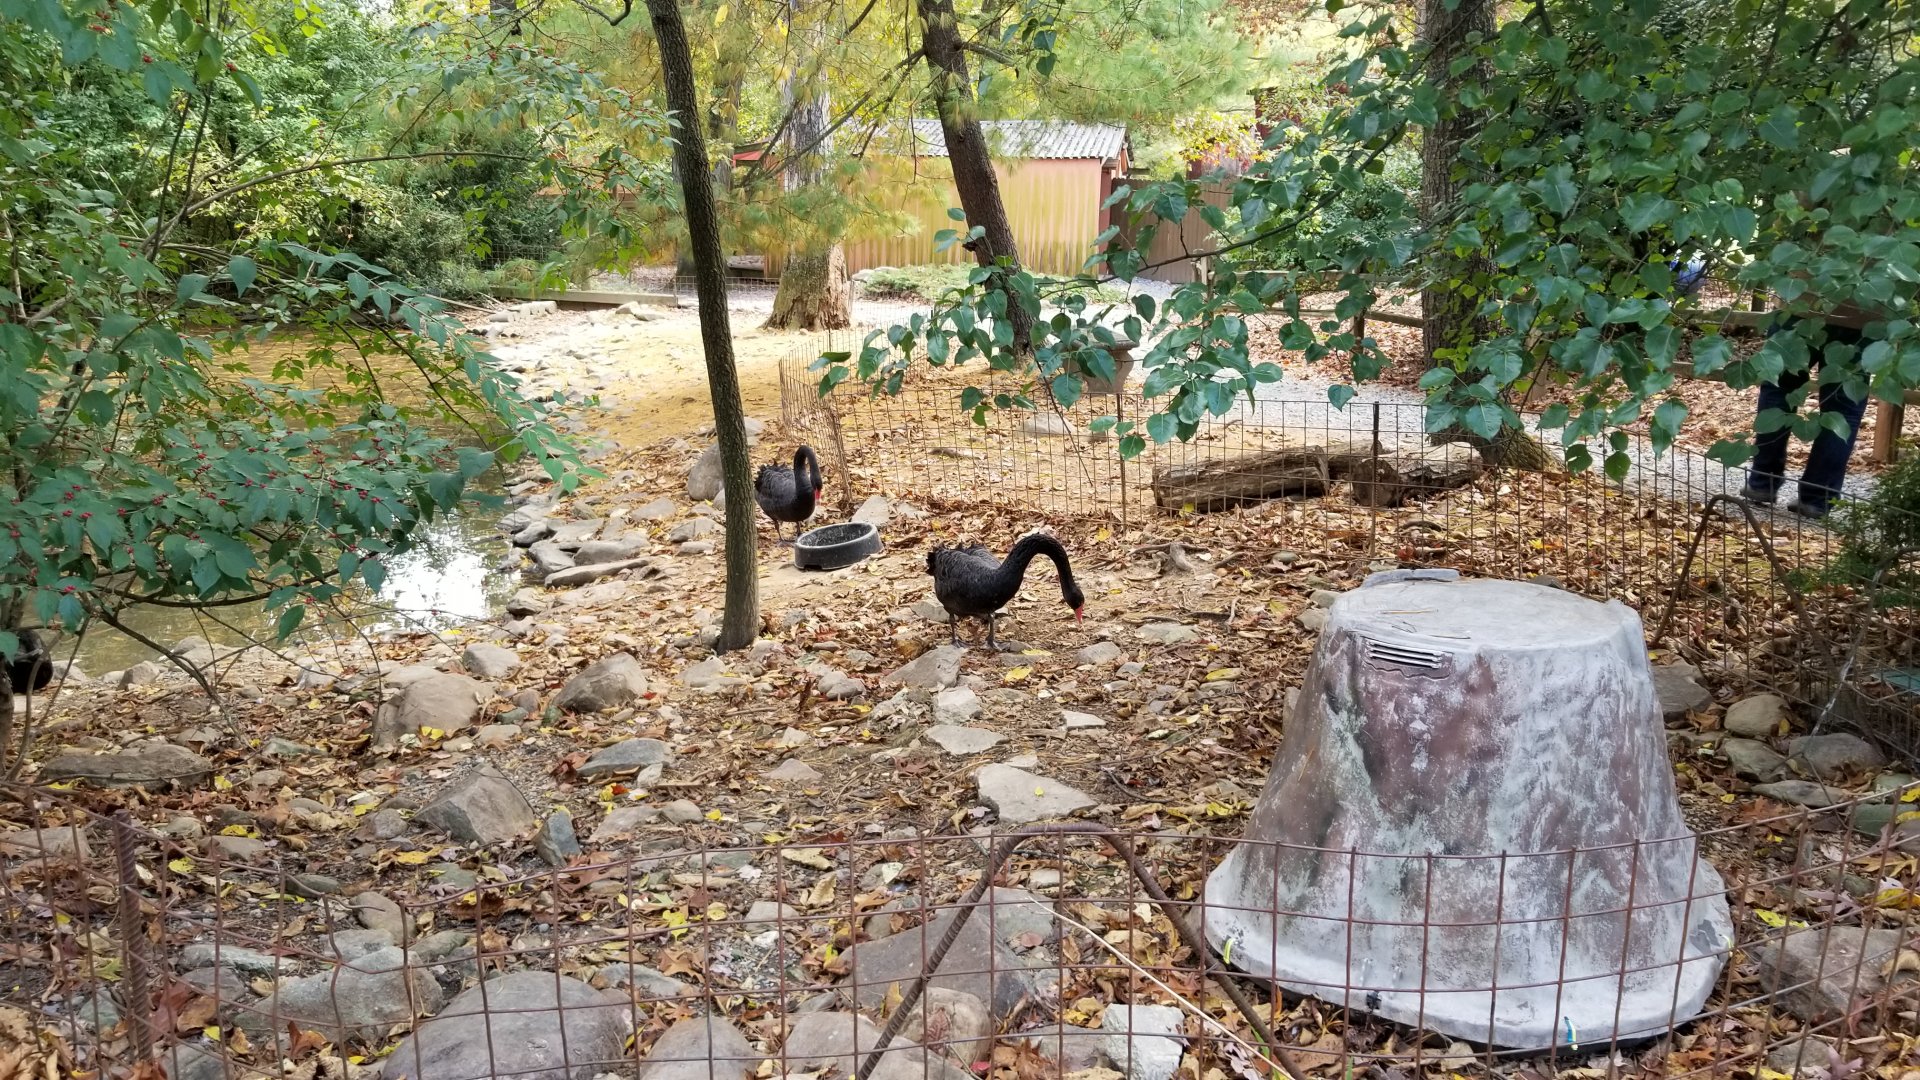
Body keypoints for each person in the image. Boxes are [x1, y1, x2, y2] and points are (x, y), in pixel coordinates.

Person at [1738, 313, 1870, 520]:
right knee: (1844, 408)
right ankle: (1817, 498)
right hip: (1861, 318)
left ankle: (1762, 481)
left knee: (1778, 387)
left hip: (1800, 308)